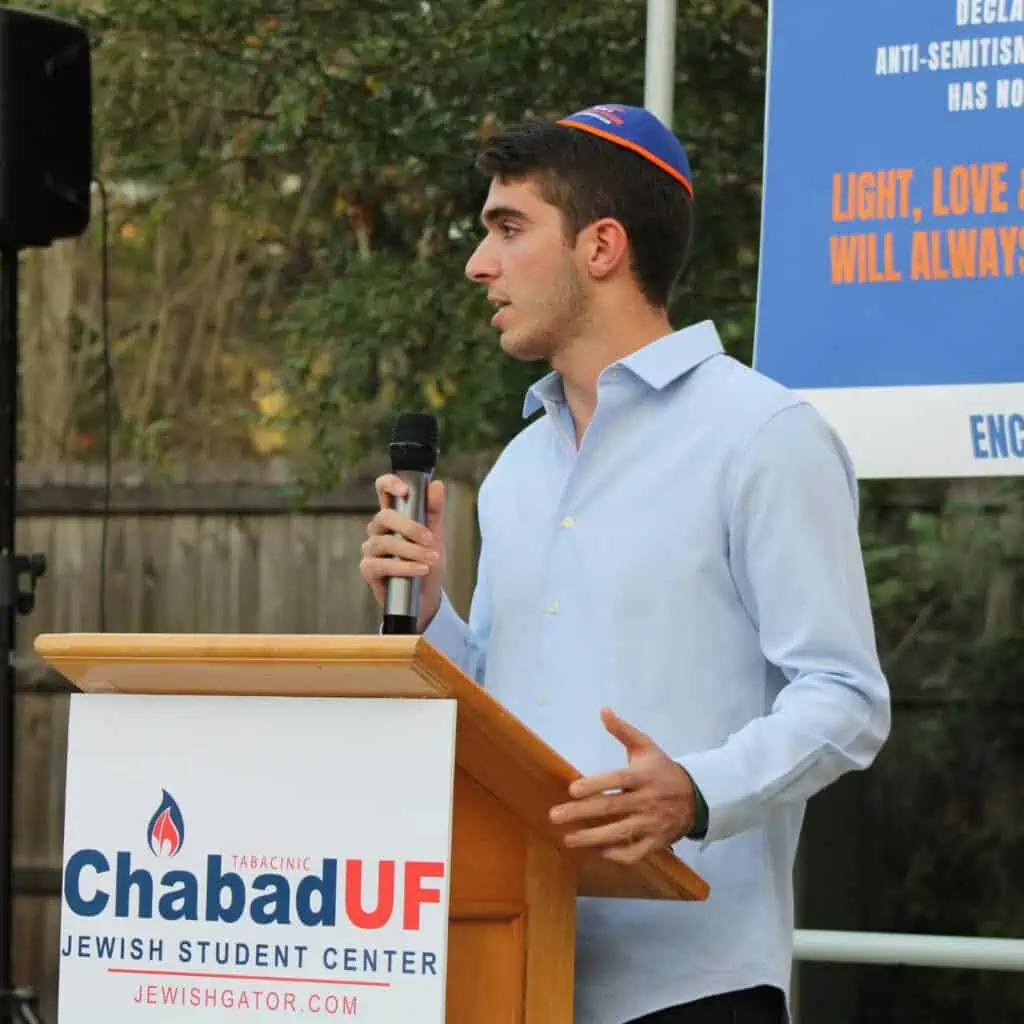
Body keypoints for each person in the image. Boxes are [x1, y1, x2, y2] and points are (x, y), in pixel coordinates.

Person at [359, 103, 891, 1024]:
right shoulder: (521, 467)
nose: (478, 264)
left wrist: (696, 791)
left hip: (693, 988)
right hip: (514, 967)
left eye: (508, 228)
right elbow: (502, 708)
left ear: (601, 247)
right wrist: (432, 611)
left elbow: (846, 697)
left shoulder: (764, 437)